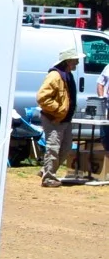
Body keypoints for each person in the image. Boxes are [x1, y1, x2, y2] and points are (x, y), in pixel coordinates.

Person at [37, 45, 80, 188]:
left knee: (66, 147)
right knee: (53, 147)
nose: (77, 63)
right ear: (68, 61)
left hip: (64, 119)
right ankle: (48, 178)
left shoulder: (67, 75)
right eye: (75, 60)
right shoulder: (55, 76)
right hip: (54, 118)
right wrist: (59, 110)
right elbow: (42, 98)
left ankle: (46, 170)